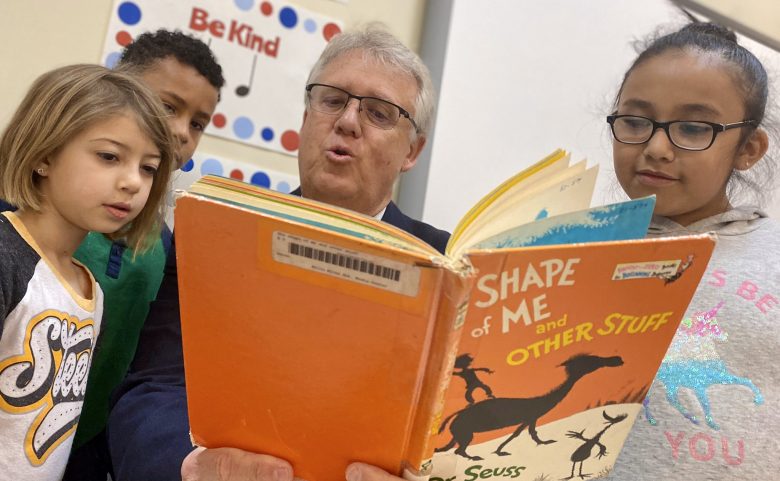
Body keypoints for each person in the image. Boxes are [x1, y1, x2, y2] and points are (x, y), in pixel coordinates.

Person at [108, 25, 449, 481]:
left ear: (413, 151)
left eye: (379, 113)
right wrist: (192, 468)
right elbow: (151, 392)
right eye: (332, 100)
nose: (348, 121)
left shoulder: (452, 268)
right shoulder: (219, 236)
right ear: (306, 120)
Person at [605, 21, 779, 479]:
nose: (657, 147)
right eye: (636, 121)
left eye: (693, 127)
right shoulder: (578, 245)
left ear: (748, 148)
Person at [58, 30, 224, 481]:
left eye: (197, 123)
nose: (179, 132)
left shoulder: (170, 249)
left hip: (89, 451)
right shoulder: (32, 218)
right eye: (168, 106)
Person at [0, 63, 175, 480]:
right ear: (44, 154)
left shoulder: (91, 291)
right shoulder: (6, 256)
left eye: (148, 167)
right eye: (109, 156)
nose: (133, 182)